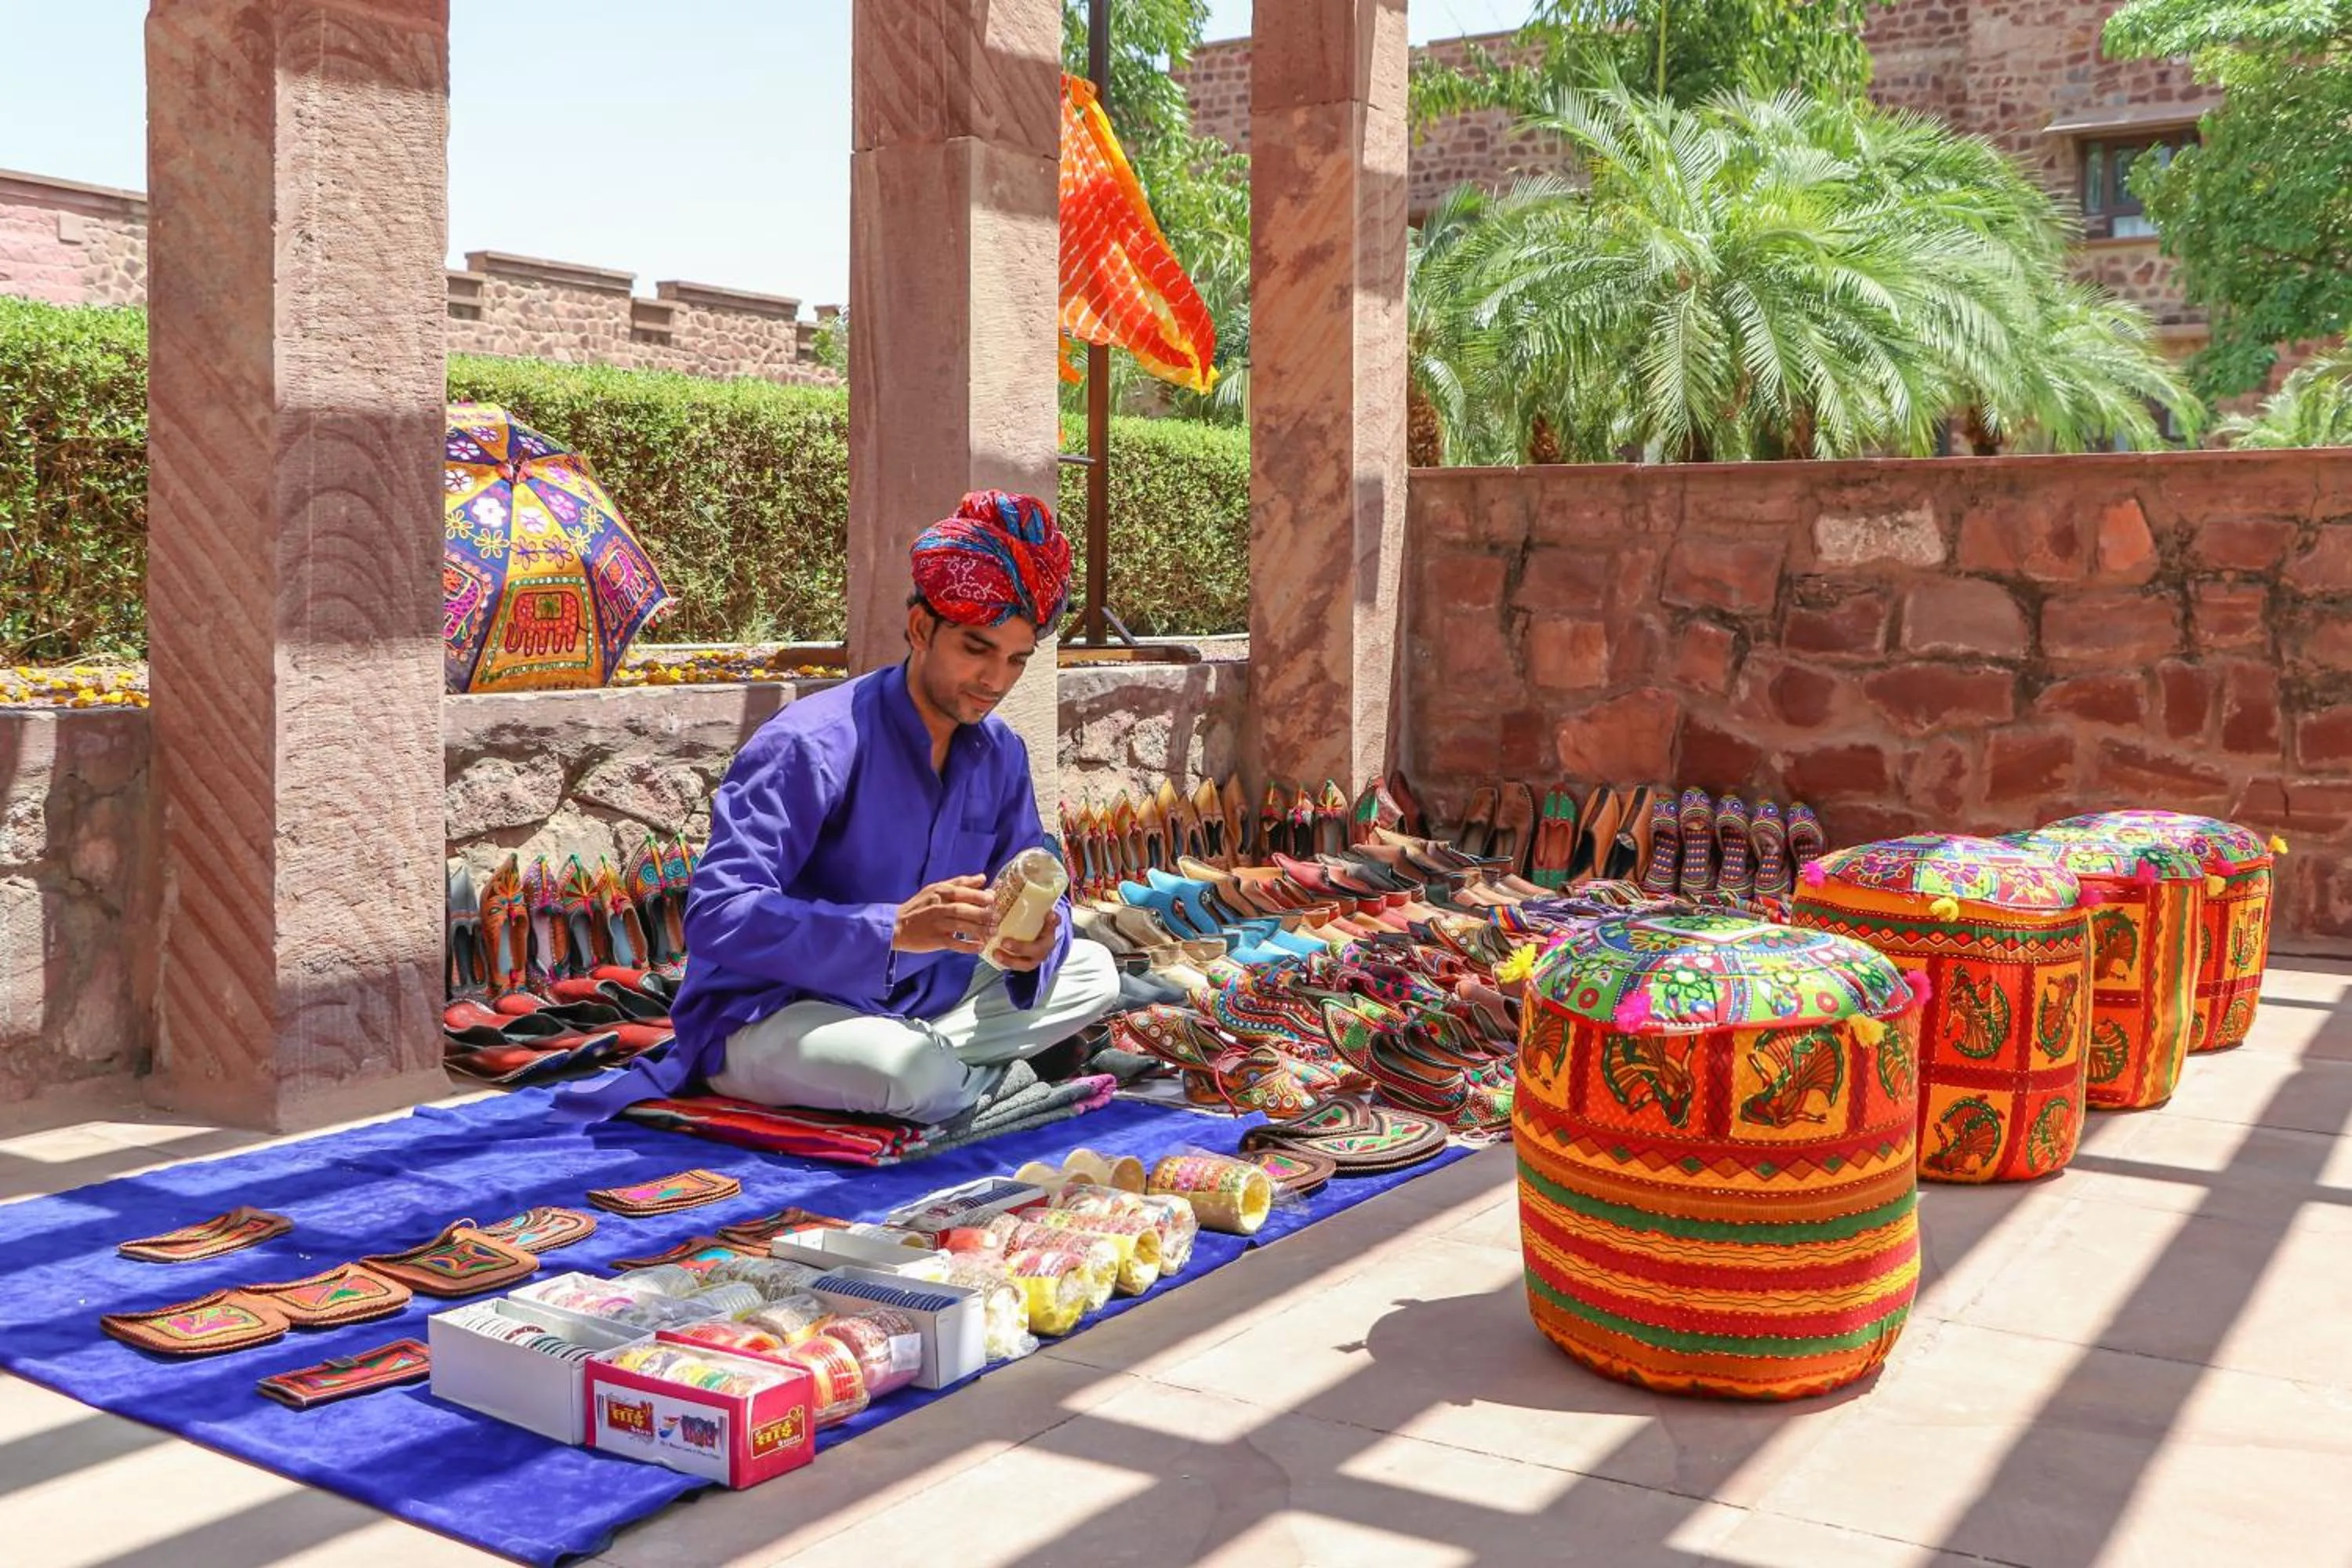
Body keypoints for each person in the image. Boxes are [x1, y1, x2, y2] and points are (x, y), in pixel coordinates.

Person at [561, 491, 1119, 1124]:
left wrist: (1040, 939)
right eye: (976, 649)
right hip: (776, 1012)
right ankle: (948, 1079)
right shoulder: (808, 744)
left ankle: (940, 1078)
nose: (996, 679)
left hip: (922, 1003)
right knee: (908, 1071)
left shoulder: (1000, 752)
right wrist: (890, 931)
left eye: (1016, 659)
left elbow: (1032, 878)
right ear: (919, 630)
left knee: (1093, 970)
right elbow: (718, 915)